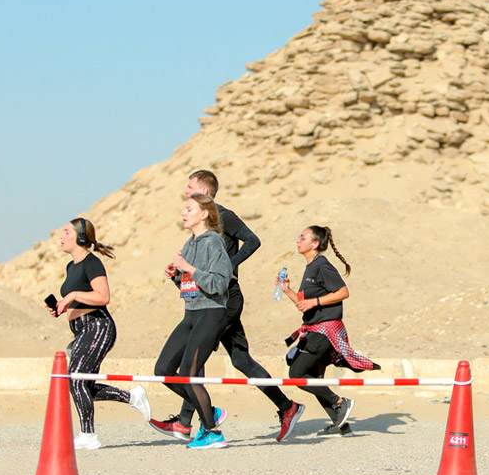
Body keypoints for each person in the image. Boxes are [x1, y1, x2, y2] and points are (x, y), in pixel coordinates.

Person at [150, 170, 305, 442]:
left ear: (205, 194)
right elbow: (191, 279)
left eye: (190, 189)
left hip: (224, 297)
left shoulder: (223, 218)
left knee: (194, 360)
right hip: (203, 298)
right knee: (238, 359)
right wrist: (179, 275)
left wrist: (228, 267)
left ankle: (197, 422)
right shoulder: (194, 238)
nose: (185, 193)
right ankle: (285, 406)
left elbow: (253, 241)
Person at [53, 217, 151, 450]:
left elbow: (102, 296)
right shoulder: (71, 266)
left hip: (98, 327)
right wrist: (62, 305)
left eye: (66, 232)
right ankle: (133, 397)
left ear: (80, 237)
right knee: (81, 384)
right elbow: (79, 297)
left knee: (76, 378)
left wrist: (73, 296)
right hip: (81, 329)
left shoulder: (92, 263)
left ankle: (88, 435)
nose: (61, 236)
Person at [278, 225, 380, 436]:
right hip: (315, 328)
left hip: (325, 330)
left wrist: (314, 301)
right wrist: (287, 290)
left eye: (302, 237)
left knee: (297, 373)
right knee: (314, 376)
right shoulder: (310, 267)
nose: (298, 240)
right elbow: (304, 304)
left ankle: (340, 403)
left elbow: (343, 292)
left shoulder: (322, 264)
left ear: (314, 244)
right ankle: (340, 424)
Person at [154, 194, 234, 449]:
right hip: (191, 312)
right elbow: (191, 286)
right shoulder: (189, 244)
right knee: (164, 370)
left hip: (211, 313)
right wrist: (175, 276)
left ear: (204, 214)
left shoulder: (214, 243)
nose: (183, 213)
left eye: (188, 209)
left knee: (189, 373)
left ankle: (213, 432)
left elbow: (219, 284)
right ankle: (208, 409)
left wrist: (188, 268)